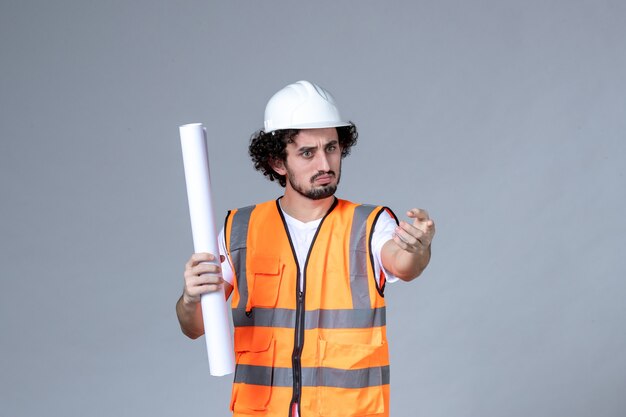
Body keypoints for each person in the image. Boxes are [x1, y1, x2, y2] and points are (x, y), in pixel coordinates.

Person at [176, 80, 435, 417]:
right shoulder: (240, 228)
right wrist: (190, 298)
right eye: (307, 153)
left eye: (331, 147)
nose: (325, 164)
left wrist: (418, 248)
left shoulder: (369, 224)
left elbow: (403, 264)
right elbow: (195, 327)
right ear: (277, 162)